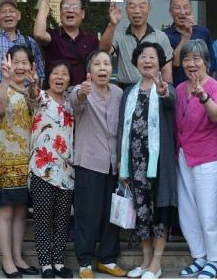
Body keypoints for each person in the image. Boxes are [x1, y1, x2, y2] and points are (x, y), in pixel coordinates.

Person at [117, 43, 178, 280]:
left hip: (159, 163)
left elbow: (171, 100)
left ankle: (156, 262)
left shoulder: (166, 88)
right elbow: (122, 129)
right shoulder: (129, 92)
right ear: (136, 62)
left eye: (152, 57)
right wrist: (121, 164)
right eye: (143, 56)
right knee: (141, 211)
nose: (147, 60)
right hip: (134, 165)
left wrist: (162, 92)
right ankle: (145, 260)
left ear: (160, 62)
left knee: (160, 210)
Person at [69, 50, 127, 279]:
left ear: (112, 69)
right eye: (97, 64)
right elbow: (75, 102)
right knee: (87, 215)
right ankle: (84, 262)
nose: (103, 68)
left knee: (112, 214)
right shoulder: (81, 89)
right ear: (89, 71)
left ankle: (107, 260)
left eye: (106, 64)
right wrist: (82, 93)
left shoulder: (119, 93)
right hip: (89, 162)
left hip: (114, 164)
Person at [174, 40, 217, 280]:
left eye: (196, 59)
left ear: (206, 62)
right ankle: (200, 256)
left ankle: (214, 259)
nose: (191, 63)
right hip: (183, 154)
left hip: (206, 155)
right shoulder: (179, 88)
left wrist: (204, 97)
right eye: (187, 59)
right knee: (187, 211)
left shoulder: (214, 87)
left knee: (208, 211)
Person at [0, 46, 39, 278]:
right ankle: (7, 260)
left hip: (29, 159)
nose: (20, 66)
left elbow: (36, 110)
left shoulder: (32, 90)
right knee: (6, 210)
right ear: (8, 64)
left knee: (21, 211)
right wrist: (5, 80)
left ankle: (18, 257)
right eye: (15, 62)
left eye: (24, 62)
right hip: (6, 158)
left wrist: (34, 86)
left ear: (31, 66)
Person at [29, 60, 76, 279]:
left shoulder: (71, 102)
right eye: (55, 73)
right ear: (48, 77)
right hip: (42, 167)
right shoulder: (41, 96)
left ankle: (58, 261)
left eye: (64, 74)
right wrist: (32, 84)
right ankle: (45, 264)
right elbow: (32, 95)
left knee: (62, 218)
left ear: (69, 79)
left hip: (66, 169)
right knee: (42, 218)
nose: (59, 77)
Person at [99, 0, 174, 88]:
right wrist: (112, 25)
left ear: (149, 9)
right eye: (132, 6)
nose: (137, 11)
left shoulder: (160, 37)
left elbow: (166, 70)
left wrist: (168, 91)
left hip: (153, 89)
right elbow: (103, 51)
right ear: (126, 10)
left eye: (142, 6)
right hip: (125, 88)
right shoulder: (119, 35)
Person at [34, 0, 99, 85]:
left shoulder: (91, 39)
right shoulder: (53, 36)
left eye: (75, 7)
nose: (70, 10)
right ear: (60, 13)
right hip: (57, 92)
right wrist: (44, 2)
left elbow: (103, 55)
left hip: (83, 91)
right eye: (66, 7)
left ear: (83, 14)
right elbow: (39, 34)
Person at [163, 0, 215, 87]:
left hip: (203, 87)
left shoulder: (203, 32)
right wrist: (186, 36)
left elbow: (211, 64)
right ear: (170, 12)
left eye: (186, 7)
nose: (182, 12)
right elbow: (175, 63)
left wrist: (211, 86)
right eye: (177, 8)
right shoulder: (164, 36)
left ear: (191, 10)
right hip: (177, 88)